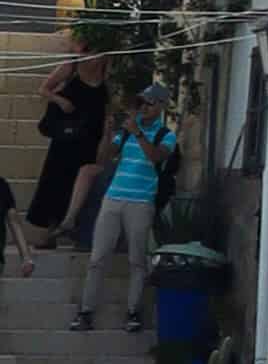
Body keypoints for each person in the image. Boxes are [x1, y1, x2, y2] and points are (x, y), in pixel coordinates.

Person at [77, 91, 173, 334]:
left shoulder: (166, 135)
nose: (144, 108)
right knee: (97, 257)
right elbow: (103, 157)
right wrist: (108, 133)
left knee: (136, 259)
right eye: (141, 103)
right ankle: (85, 311)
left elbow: (155, 157)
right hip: (113, 197)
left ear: (161, 106)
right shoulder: (128, 131)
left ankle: (133, 312)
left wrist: (138, 133)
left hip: (141, 201)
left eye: (150, 103)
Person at [27, 52, 106, 240]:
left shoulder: (106, 73)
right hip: (67, 135)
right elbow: (43, 90)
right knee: (56, 182)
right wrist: (60, 101)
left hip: (90, 136)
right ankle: (49, 232)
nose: (95, 59)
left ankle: (73, 228)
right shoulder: (71, 66)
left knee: (78, 183)